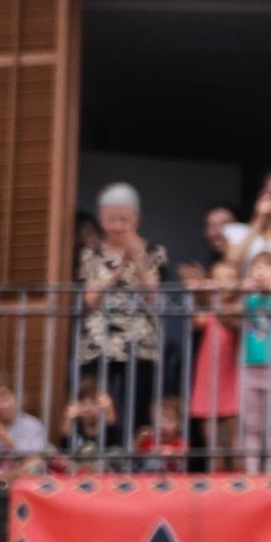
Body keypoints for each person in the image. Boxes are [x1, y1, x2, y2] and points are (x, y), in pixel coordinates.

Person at [76, 183, 169, 447]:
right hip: (98, 344)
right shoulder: (91, 253)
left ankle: (133, 464)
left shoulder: (155, 252)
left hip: (140, 344)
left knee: (138, 407)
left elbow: (152, 294)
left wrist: (136, 257)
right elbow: (90, 298)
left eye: (123, 219)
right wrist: (117, 271)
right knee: (98, 406)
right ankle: (99, 460)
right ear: (101, 219)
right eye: (110, 219)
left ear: (136, 220)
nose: (117, 225)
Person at [232, 250, 271, 472]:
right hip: (249, 366)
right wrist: (240, 291)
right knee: (251, 425)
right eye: (257, 267)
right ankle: (252, 472)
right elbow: (229, 315)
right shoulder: (249, 298)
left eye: (268, 267)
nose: (261, 272)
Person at [0, 384, 44, 479]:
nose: (2, 406)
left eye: (5, 400)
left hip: (20, 470)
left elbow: (34, 455)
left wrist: (6, 439)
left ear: (17, 400)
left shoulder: (32, 424)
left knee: (35, 465)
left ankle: (4, 478)